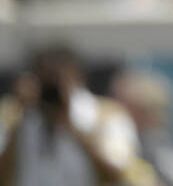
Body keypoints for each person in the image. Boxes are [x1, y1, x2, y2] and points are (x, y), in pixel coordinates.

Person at [0, 44, 142, 185]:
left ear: (77, 75)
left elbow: (119, 173)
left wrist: (71, 127)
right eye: (45, 79)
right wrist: (19, 120)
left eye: (57, 78)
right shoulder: (13, 116)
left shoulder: (106, 115)